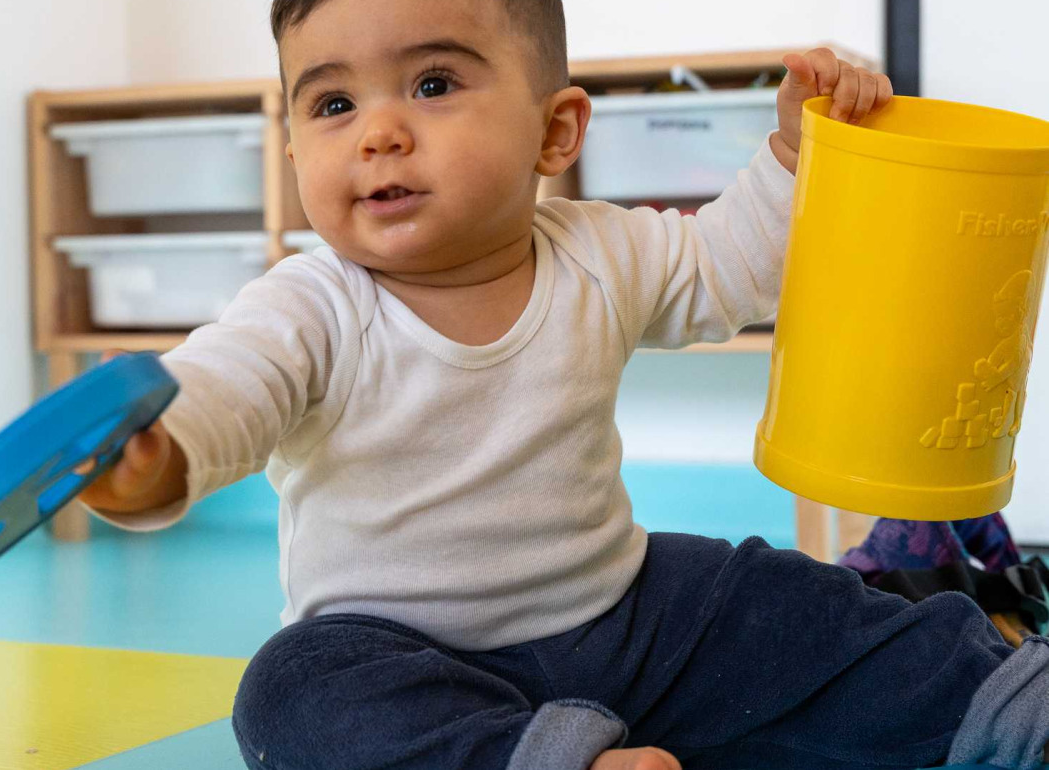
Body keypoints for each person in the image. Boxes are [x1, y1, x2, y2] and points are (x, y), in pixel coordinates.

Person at [78, 1, 1049, 767]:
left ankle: (997, 696)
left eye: (431, 82)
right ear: (293, 151)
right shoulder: (309, 303)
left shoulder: (597, 249)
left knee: (791, 597)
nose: (377, 131)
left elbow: (732, 264)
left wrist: (798, 155)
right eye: (332, 104)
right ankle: (526, 753)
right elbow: (225, 385)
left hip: (623, 613)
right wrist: (156, 452)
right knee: (288, 693)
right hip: (402, 654)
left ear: (555, 130)